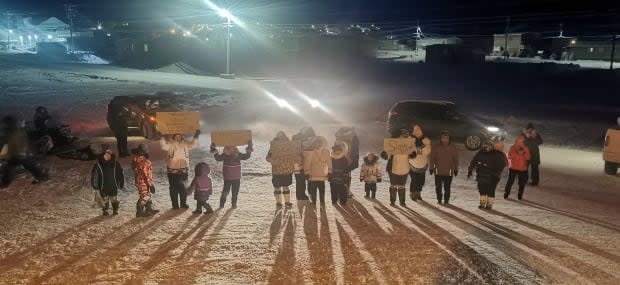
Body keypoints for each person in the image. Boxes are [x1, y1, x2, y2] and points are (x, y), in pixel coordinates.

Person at [0, 115, 48, 188]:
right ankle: (42, 177)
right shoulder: (17, 131)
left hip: (17, 155)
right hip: (20, 154)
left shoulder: (10, 132)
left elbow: (7, 140)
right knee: (29, 165)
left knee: (10, 169)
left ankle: (4, 183)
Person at [160, 130, 200, 209]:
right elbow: (163, 146)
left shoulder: (185, 144)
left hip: (183, 170)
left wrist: (196, 136)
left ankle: (183, 203)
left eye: (179, 136)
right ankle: (175, 205)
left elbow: (193, 145)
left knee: (183, 188)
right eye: (176, 136)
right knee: (173, 188)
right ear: (174, 137)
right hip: (172, 170)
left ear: (182, 136)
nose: (178, 138)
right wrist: (161, 138)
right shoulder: (170, 144)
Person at [211, 141, 253, 208]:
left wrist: (249, 147)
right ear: (226, 148)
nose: (231, 148)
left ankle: (233, 204)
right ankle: (222, 204)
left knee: (235, 192)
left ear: (235, 148)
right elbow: (218, 158)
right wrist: (213, 149)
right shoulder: (225, 155)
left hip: (236, 178)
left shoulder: (237, 154)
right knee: (225, 191)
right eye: (229, 147)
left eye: (233, 147)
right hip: (228, 178)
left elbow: (246, 156)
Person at [468, 140, 508, 209]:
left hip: (493, 176)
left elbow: (502, 165)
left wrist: (492, 169)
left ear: (492, 147)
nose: (486, 147)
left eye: (488, 146)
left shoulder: (498, 154)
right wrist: (470, 169)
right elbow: (474, 161)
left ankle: (489, 204)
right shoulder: (480, 153)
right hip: (481, 174)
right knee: (481, 189)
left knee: (491, 190)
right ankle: (482, 203)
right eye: (485, 146)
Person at [381, 129, 417, 207]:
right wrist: (385, 153)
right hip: (393, 168)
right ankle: (392, 201)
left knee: (402, 186)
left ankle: (402, 202)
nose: (405, 137)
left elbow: (413, 156)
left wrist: (413, 152)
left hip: (404, 168)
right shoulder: (393, 143)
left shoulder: (409, 144)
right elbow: (386, 155)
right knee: (393, 185)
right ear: (399, 135)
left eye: (406, 135)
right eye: (403, 135)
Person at [90, 148, 124, 215]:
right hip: (103, 186)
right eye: (105, 155)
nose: (107, 156)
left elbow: (120, 174)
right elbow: (95, 176)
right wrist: (95, 185)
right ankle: (105, 210)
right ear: (103, 156)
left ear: (111, 156)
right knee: (105, 199)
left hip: (113, 185)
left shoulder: (115, 164)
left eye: (109, 155)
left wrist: (121, 182)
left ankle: (115, 210)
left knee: (114, 199)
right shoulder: (98, 165)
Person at [429, 130, 459, 204]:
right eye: (443, 138)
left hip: (448, 172)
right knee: (438, 187)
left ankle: (446, 200)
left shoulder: (453, 148)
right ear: (441, 138)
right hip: (438, 171)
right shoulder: (436, 147)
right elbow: (432, 158)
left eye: (447, 138)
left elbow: (456, 159)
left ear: (449, 139)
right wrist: (431, 167)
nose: (445, 140)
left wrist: (456, 169)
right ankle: (439, 199)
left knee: (447, 188)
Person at [266, 131, 294, 207]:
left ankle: (287, 202)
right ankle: (278, 202)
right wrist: (274, 161)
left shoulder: (289, 146)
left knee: (286, 186)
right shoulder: (273, 148)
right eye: (279, 137)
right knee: (277, 187)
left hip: (286, 170)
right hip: (277, 171)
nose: (281, 139)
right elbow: (268, 158)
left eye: (282, 137)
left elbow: (293, 157)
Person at [131, 144, 159, 217]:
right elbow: (146, 175)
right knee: (145, 196)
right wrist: (151, 184)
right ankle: (139, 213)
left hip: (140, 181)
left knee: (147, 194)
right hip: (143, 181)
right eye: (146, 149)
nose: (147, 150)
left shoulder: (138, 159)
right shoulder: (144, 161)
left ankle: (149, 209)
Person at [303, 136, 332, 204]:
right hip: (315, 174)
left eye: (319, 143)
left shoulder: (312, 151)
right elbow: (308, 162)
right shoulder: (324, 151)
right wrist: (330, 171)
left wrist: (307, 172)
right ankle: (317, 201)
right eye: (317, 143)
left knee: (319, 189)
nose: (318, 144)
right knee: (317, 189)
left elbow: (307, 162)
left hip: (318, 174)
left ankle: (318, 201)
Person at [504, 134, 531, 200]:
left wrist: (523, 153)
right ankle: (506, 193)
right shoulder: (512, 147)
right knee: (510, 181)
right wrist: (518, 154)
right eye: (519, 138)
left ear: (524, 140)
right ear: (517, 139)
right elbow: (509, 156)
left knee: (521, 183)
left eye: (522, 139)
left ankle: (520, 194)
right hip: (513, 167)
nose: (520, 140)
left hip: (522, 168)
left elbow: (528, 157)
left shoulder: (526, 148)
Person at [291, 127, 316, 201]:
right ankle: (304, 195)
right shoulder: (309, 138)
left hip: (298, 162)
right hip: (303, 162)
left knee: (301, 179)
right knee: (305, 179)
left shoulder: (296, 138)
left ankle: (301, 195)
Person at [334, 127, 360, 197]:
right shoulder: (340, 140)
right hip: (343, 161)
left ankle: (346, 190)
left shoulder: (342, 140)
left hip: (347, 161)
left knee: (346, 176)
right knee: (344, 176)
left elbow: (354, 149)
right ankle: (345, 190)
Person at [409, 124, 431, 201]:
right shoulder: (410, 139)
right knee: (414, 180)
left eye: (419, 130)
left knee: (421, 181)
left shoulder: (426, 140)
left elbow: (428, 151)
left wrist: (421, 147)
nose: (417, 131)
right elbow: (407, 150)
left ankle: (418, 193)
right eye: (416, 130)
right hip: (412, 164)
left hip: (422, 164)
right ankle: (412, 193)